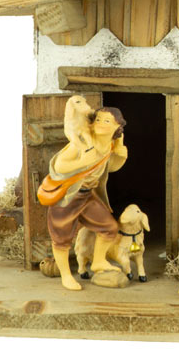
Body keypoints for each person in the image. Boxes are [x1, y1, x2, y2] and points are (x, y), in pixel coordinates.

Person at [46, 107, 129, 290]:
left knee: (109, 228)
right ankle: (66, 275)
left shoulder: (108, 146)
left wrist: (121, 151)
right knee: (61, 238)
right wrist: (83, 161)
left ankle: (98, 261)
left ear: (117, 127)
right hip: (68, 196)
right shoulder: (82, 143)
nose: (100, 123)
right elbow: (59, 166)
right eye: (98, 119)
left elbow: (110, 167)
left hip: (86, 196)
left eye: (107, 121)